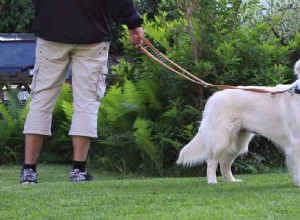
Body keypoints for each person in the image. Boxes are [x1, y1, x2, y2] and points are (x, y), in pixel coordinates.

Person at [20, 0, 144, 184]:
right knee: (87, 102)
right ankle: (79, 170)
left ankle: (29, 170)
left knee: (41, 100)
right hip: (92, 32)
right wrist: (133, 23)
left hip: (51, 31)